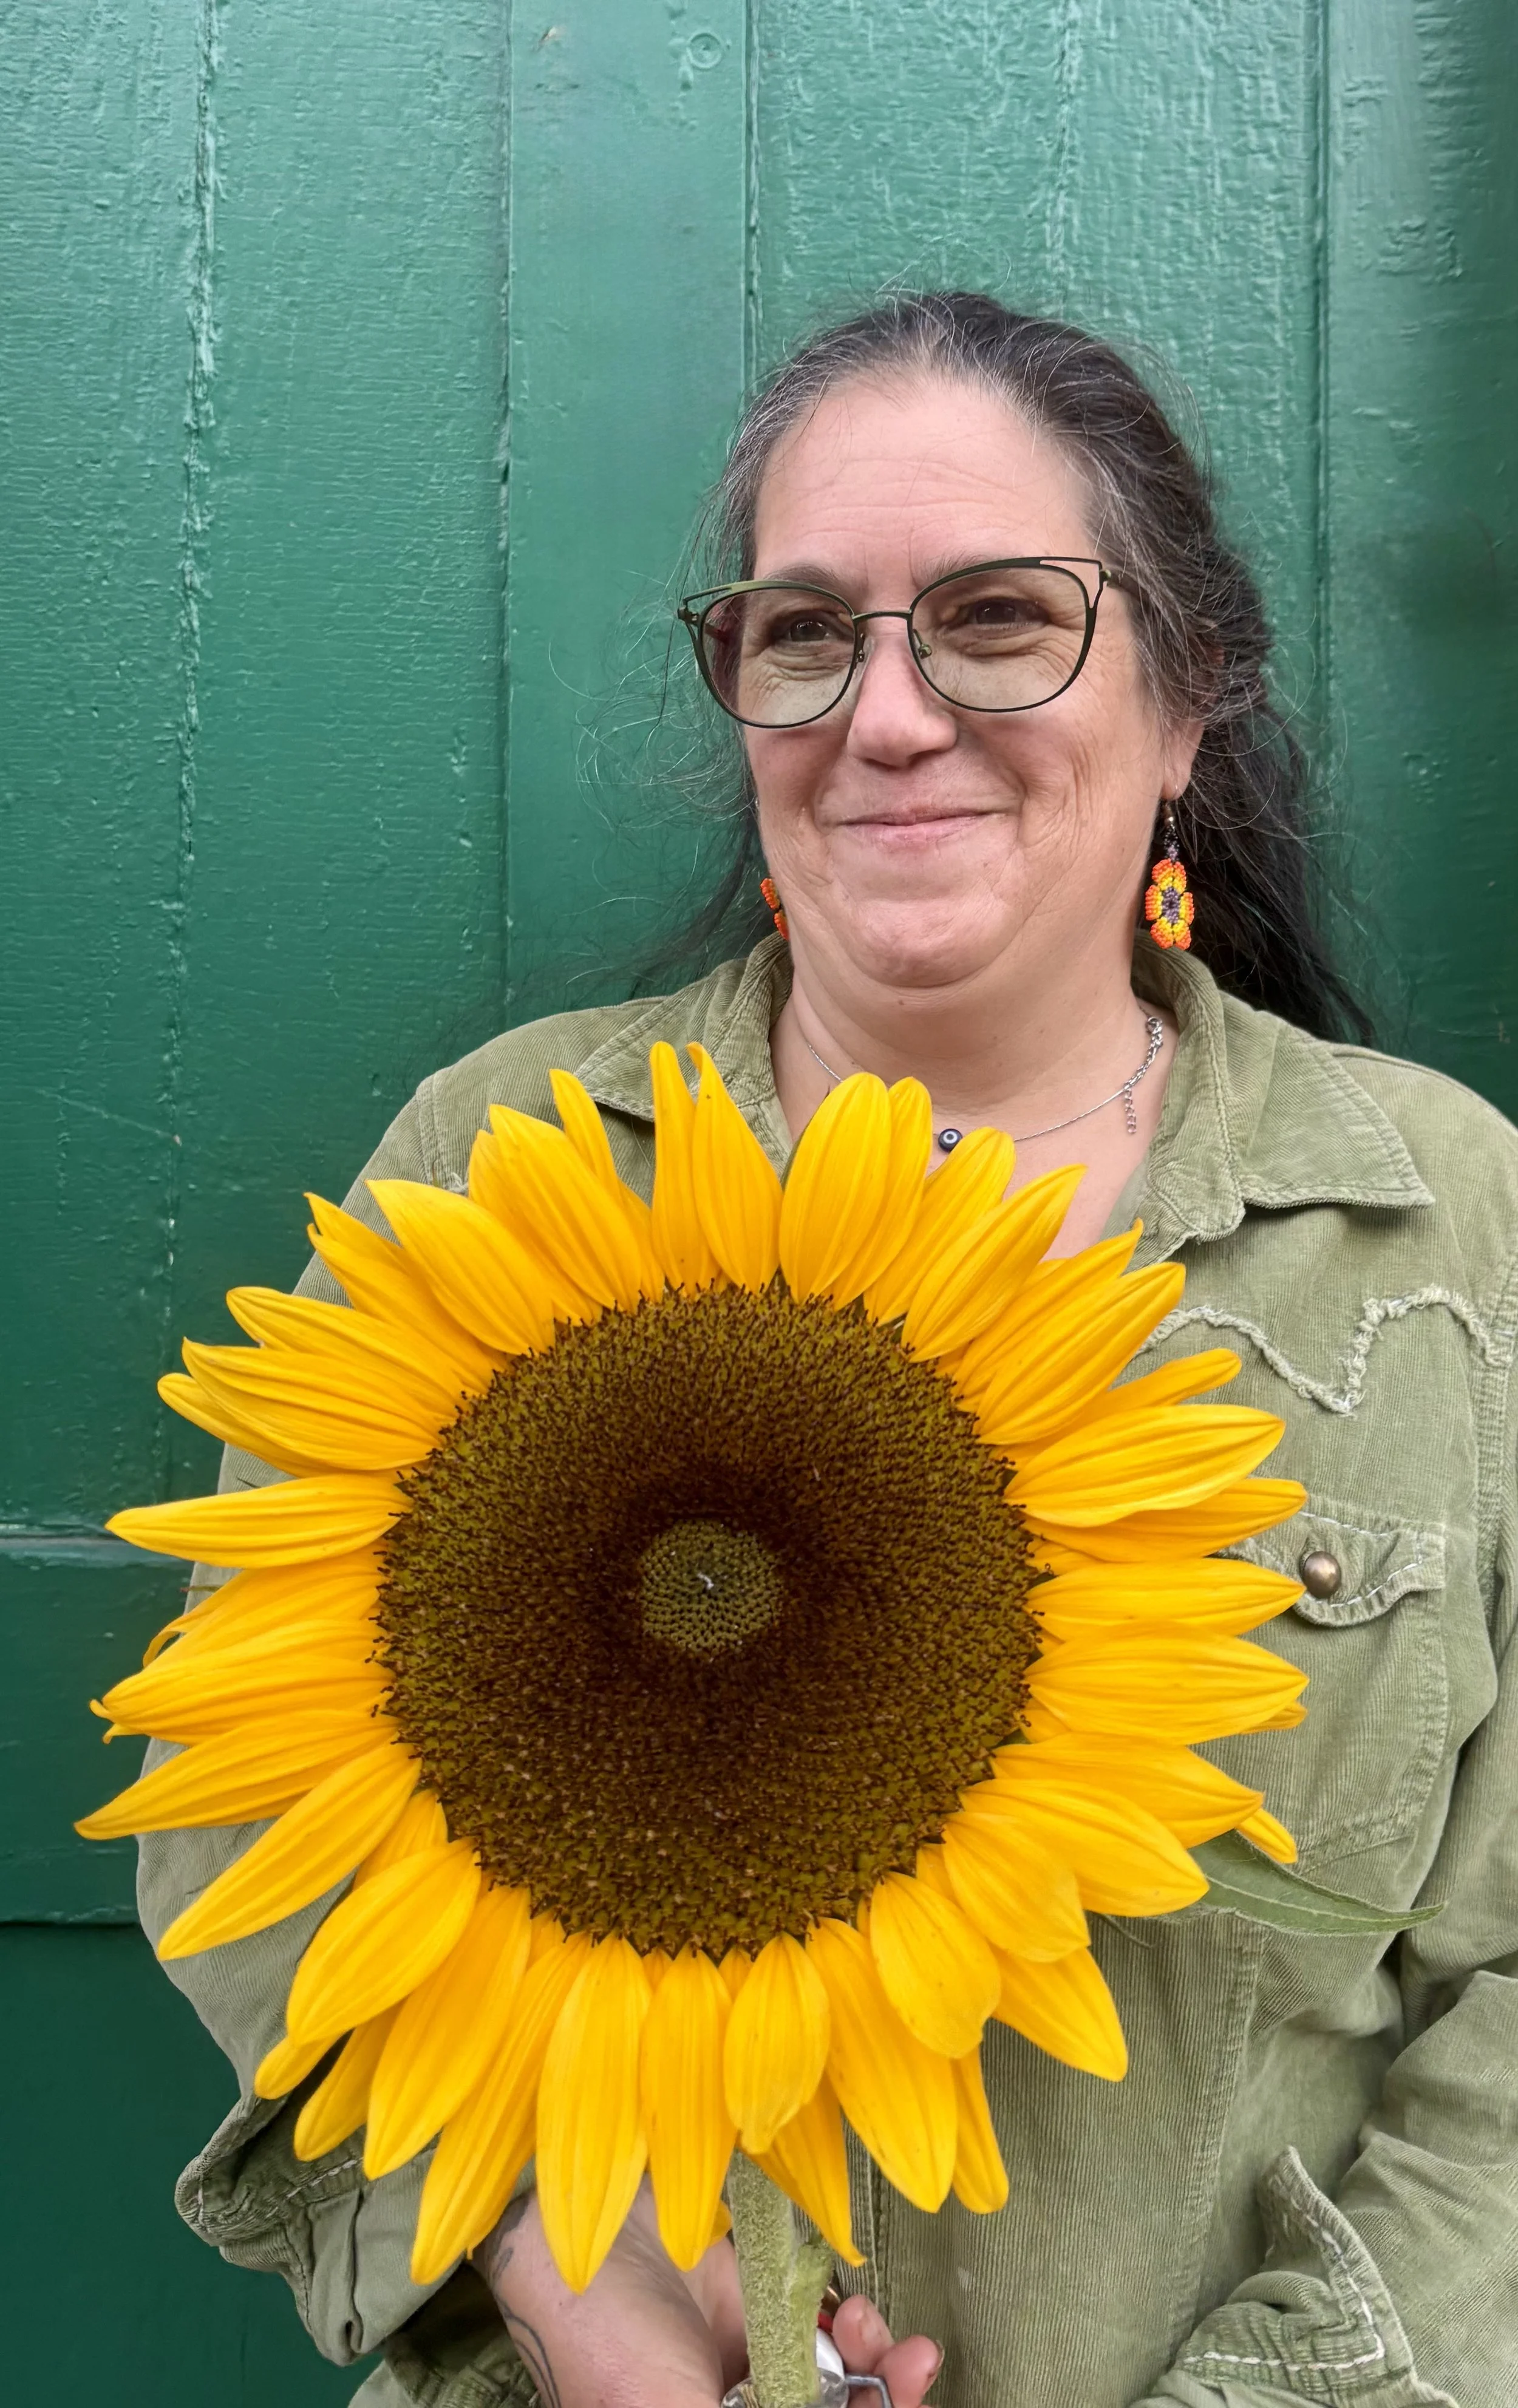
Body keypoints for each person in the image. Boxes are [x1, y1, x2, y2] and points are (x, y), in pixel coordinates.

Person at [138, 293, 1518, 2408]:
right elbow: (244, 1814)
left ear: (1188, 702)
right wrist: (532, 2237)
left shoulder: (1448, 1231)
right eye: (804, 634)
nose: (886, 714)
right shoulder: (506, 1169)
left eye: (996, 619)